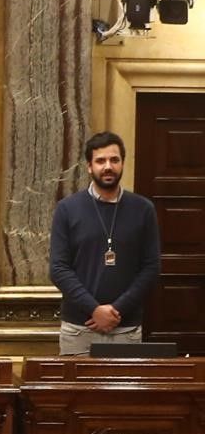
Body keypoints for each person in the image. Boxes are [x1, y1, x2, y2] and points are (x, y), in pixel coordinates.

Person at [50, 131, 160, 355]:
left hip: (126, 328)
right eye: (100, 161)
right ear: (89, 167)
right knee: (74, 381)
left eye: (114, 160)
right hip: (79, 329)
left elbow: (151, 267)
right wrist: (94, 309)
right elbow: (59, 269)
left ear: (122, 163)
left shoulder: (143, 209)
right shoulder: (67, 209)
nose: (108, 166)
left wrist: (116, 310)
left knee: (125, 381)